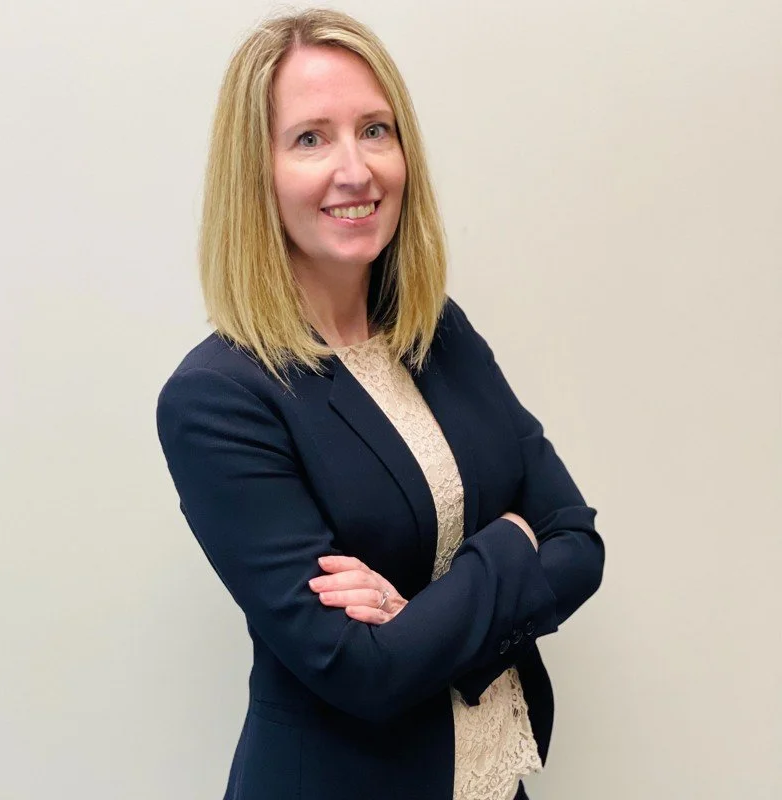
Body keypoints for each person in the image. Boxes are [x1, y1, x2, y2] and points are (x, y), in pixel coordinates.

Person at [156, 8, 604, 800]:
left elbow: (578, 540)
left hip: (496, 780)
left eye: (374, 129)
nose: (356, 169)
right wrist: (510, 543)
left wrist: (421, 614)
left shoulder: (438, 332)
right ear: (254, 172)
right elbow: (363, 671)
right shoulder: (219, 400)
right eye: (310, 138)